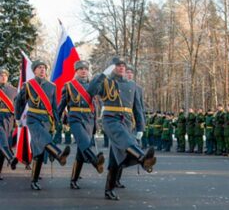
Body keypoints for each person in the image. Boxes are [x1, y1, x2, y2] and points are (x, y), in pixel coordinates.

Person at [87, 56, 156, 200]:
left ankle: (109, 190)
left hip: (127, 122)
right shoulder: (105, 81)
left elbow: (138, 108)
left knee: (116, 159)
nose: (121, 67)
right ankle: (142, 159)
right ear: (112, 67)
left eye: (123, 65)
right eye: (118, 65)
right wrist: (102, 74)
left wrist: (140, 128)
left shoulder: (132, 85)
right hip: (111, 119)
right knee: (125, 139)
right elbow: (91, 90)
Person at [15, 59, 70, 190]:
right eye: (39, 67)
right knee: (44, 138)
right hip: (33, 119)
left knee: (39, 151)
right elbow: (19, 102)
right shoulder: (28, 85)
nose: (42, 70)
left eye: (44, 68)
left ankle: (34, 180)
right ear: (34, 71)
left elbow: (54, 107)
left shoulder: (52, 86)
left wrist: (57, 121)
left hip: (46, 120)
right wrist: (18, 117)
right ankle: (58, 154)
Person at [58, 60, 105, 189]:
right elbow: (62, 104)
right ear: (76, 71)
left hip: (89, 120)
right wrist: (55, 119)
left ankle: (73, 180)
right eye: (81, 69)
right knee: (84, 141)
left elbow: (95, 106)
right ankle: (95, 162)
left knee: (81, 151)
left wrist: (96, 124)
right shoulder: (69, 86)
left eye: (85, 69)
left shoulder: (92, 86)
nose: (84, 71)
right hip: (75, 118)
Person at [0, 68, 18, 180]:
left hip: (8, 120)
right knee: (2, 140)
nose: (3, 77)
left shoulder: (14, 90)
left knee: (2, 145)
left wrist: (17, 120)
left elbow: (16, 107)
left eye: (5, 75)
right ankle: (11, 158)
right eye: (1, 75)